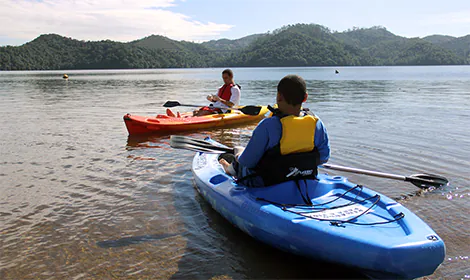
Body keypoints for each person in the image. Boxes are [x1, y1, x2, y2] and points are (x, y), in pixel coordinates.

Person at [219, 74, 330, 187]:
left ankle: (230, 169)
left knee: (238, 150)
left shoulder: (267, 125)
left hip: (267, 183)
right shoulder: (317, 124)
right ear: (305, 97)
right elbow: (323, 157)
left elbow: (248, 162)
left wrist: (238, 156)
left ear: (279, 97)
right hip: (304, 177)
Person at [166, 69, 241, 117]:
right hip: (215, 108)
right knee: (196, 111)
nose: (224, 80)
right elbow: (216, 100)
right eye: (223, 78)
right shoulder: (221, 87)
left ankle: (181, 121)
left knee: (201, 113)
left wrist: (220, 100)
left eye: (226, 78)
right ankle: (179, 118)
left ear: (231, 77)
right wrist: (211, 99)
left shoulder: (234, 89)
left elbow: (231, 104)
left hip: (224, 111)